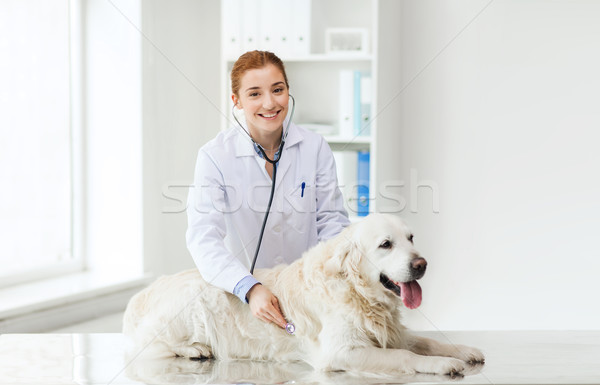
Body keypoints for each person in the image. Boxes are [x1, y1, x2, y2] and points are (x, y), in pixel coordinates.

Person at [186, 50, 350, 330]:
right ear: (236, 101)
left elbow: (332, 223)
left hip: (311, 295)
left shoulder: (315, 147)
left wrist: (334, 280)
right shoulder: (215, 156)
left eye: (278, 90)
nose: (270, 103)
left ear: (288, 91)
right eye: (254, 94)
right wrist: (248, 287)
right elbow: (204, 239)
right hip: (245, 301)